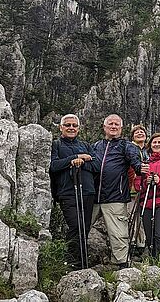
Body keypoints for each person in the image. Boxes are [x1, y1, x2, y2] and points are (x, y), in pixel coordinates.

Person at [92, 114, 149, 269]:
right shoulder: (96, 146)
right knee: (81, 227)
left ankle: (121, 264)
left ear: (121, 128)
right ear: (104, 127)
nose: (113, 126)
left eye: (117, 124)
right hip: (93, 196)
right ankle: (76, 259)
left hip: (115, 196)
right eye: (110, 123)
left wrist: (139, 168)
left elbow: (134, 161)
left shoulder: (126, 145)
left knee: (118, 233)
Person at [49, 114, 101, 269]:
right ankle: (72, 263)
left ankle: (83, 262)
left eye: (74, 125)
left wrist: (82, 162)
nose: (71, 128)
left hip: (87, 192)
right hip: (67, 192)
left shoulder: (86, 145)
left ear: (78, 128)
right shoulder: (56, 145)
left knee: (84, 228)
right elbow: (53, 166)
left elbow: (97, 166)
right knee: (75, 226)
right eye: (67, 125)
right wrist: (75, 158)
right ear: (61, 127)